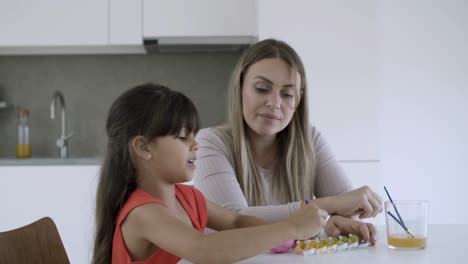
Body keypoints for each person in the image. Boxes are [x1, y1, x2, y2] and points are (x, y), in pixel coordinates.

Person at [92, 83, 330, 264]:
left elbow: (236, 221)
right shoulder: (142, 213)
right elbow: (202, 248)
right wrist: (291, 228)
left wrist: (284, 237)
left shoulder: (188, 198)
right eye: (183, 137)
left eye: (194, 135)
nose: (195, 145)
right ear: (143, 147)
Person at [193, 39, 382, 241]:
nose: (274, 103)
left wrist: (344, 219)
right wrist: (327, 205)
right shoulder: (210, 141)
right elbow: (234, 221)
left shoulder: (311, 139)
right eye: (262, 89)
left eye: (287, 94)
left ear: (297, 101)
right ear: (240, 89)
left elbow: (347, 205)